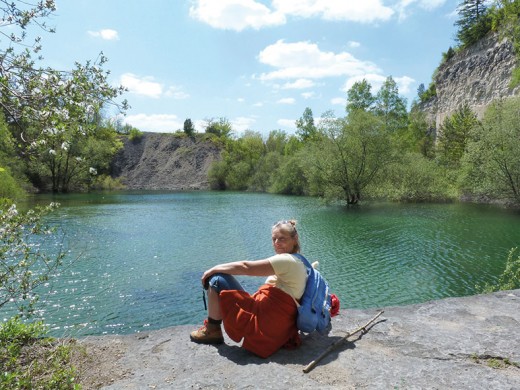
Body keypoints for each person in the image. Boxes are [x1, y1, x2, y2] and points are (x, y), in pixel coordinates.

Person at [190, 219, 308, 358]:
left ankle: (212, 330)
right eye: (274, 239)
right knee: (226, 281)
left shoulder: (287, 261)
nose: (277, 243)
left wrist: (212, 270)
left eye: (282, 239)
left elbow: (246, 267)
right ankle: (213, 328)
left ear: (295, 239)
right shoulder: (300, 260)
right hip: (278, 327)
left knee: (217, 279)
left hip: (264, 325)